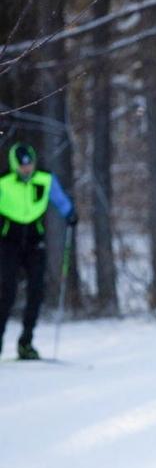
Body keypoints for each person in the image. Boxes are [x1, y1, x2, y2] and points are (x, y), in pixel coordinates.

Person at [0, 142, 77, 360]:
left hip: (34, 240)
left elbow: (61, 200)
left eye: (30, 165)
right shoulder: (3, 182)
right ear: (15, 165)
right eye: (23, 166)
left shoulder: (45, 179)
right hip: (9, 240)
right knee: (7, 293)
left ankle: (26, 342)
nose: (27, 169)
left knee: (36, 291)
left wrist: (70, 213)